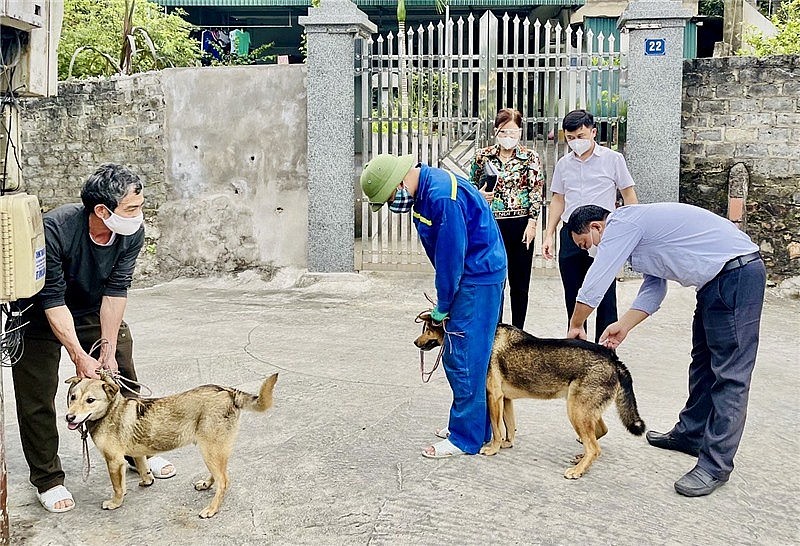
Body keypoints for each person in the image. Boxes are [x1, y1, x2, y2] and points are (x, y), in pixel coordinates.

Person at [565, 203, 766, 497]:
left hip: (736, 275)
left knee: (730, 376)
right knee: (703, 364)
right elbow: (654, 289)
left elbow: (597, 279)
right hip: (715, 282)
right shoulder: (639, 235)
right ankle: (691, 434)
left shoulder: (623, 224)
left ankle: (715, 465)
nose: (589, 250)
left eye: (586, 243)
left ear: (596, 227)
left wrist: (576, 324)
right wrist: (625, 325)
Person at [12, 164, 176, 513]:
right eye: (131, 208)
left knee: (124, 378)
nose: (139, 215)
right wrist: (78, 354)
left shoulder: (132, 232)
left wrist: (107, 347)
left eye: (140, 206)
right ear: (102, 210)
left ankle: (137, 453)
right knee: (36, 395)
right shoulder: (56, 229)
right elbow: (52, 299)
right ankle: (48, 479)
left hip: (90, 306)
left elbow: (117, 290)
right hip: (38, 312)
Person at [360, 154, 507, 458]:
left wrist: (443, 304)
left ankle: (465, 438)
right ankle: (474, 426)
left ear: (398, 183)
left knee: (463, 357)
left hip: (476, 277)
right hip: (473, 274)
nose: (391, 204)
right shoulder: (426, 192)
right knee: (470, 355)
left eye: (388, 197)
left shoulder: (441, 197)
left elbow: (451, 258)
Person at [542, 109, 638, 342]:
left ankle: (605, 348)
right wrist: (549, 234)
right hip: (571, 232)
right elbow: (557, 199)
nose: (576, 142)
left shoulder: (613, 159)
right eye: (571, 138)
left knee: (605, 292)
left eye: (581, 136)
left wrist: (633, 230)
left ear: (593, 132)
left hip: (603, 232)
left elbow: (628, 194)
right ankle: (576, 343)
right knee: (573, 292)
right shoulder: (564, 164)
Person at [469, 108, 544, 329]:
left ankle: (518, 330)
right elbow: (470, 187)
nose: (508, 137)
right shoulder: (482, 156)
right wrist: (480, 195)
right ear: (496, 131)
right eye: (504, 132)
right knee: (495, 280)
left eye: (513, 133)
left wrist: (532, 223)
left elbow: (536, 191)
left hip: (521, 224)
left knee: (520, 283)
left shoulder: (530, 157)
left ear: (520, 132)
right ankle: (496, 328)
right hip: (492, 224)